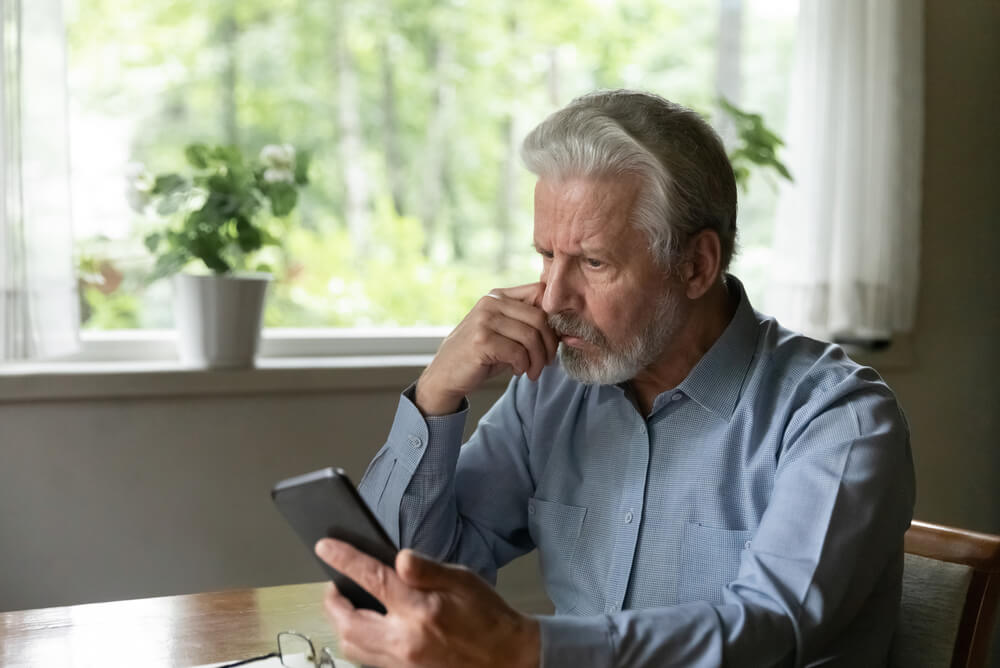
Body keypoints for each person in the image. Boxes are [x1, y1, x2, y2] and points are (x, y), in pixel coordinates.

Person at [313, 90, 915, 667]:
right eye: (547, 256)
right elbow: (409, 576)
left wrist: (530, 649)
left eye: (593, 263)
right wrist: (435, 397)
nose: (551, 298)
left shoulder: (837, 419)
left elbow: (774, 631)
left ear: (696, 265)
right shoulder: (551, 390)